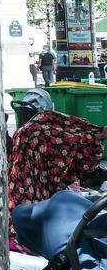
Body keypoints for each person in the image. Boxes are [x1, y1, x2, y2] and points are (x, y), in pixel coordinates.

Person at [8, 89, 106, 244]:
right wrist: (97, 133)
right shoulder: (45, 130)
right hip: (37, 214)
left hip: (21, 208)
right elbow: (73, 137)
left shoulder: (21, 133)